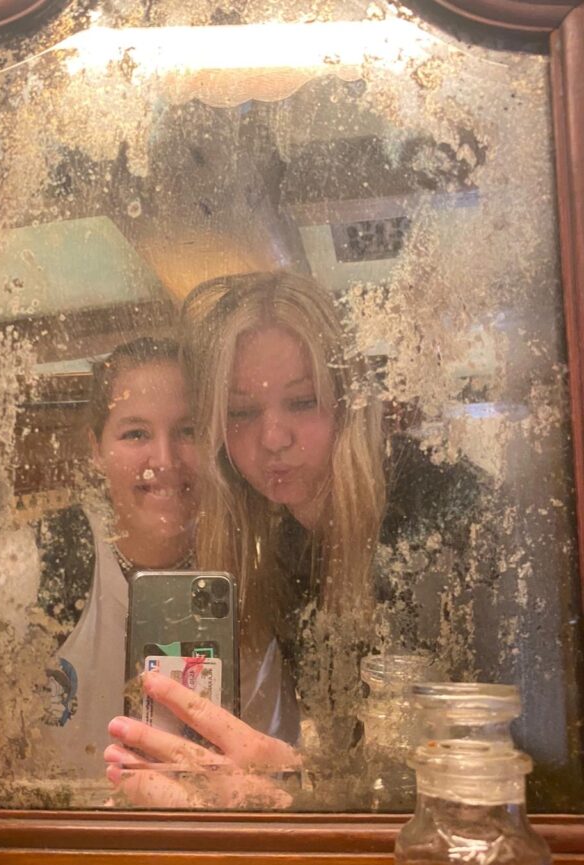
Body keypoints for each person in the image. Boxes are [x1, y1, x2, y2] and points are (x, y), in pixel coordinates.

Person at [105, 271, 388, 806]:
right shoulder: (278, 548)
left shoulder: (428, 522)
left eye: (302, 401)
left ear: (348, 402)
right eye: (240, 412)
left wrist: (295, 794)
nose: (273, 438)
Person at [34, 337, 199, 780]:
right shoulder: (45, 562)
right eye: (135, 433)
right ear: (96, 449)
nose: (164, 460)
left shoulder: (247, 572)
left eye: (188, 431)